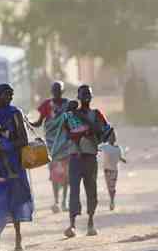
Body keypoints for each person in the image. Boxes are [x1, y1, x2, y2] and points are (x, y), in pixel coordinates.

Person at [0, 84, 33, 251]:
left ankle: (18, 240)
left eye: (11, 94)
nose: (10, 97)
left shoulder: (15, 113)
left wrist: (6, 146)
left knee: (15, 198)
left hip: (13, 162)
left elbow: (24, 140)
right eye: (6, 94)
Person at [63, 85, 112, 238]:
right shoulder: (70, 114)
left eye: (88, 94)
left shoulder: (96, 114)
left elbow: (105, 130)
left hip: (90, 156)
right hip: (75, 157)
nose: (86, 97)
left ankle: (91, 222)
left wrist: (84, 122)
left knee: (91, 190)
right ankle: (72, 225)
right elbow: (65, 132)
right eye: (83, 94)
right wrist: (69, 112)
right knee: (74, 191)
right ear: (78, 96)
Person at [31, 81, 71, 213]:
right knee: (54, 173)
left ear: (63, 91)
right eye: (54, 90)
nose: (56, 92)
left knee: (66, 175)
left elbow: (73, 121)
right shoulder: (46, 105)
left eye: (58, 90)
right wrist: (27, 122)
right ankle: (56, 201)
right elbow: (39, 122)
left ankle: (64, 201)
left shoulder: (68, 104)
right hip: (52, 144)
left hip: (65, 143)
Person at [100, 137, 126, 211]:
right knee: (109, 187)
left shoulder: (117, 148)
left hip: (114, 170)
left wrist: (123, 160)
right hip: (107, 170)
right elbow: (97, 148)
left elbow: (119, 157)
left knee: (112, 187)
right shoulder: (105, 146)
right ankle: (112, 200)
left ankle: (112, 201)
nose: (111, 140)